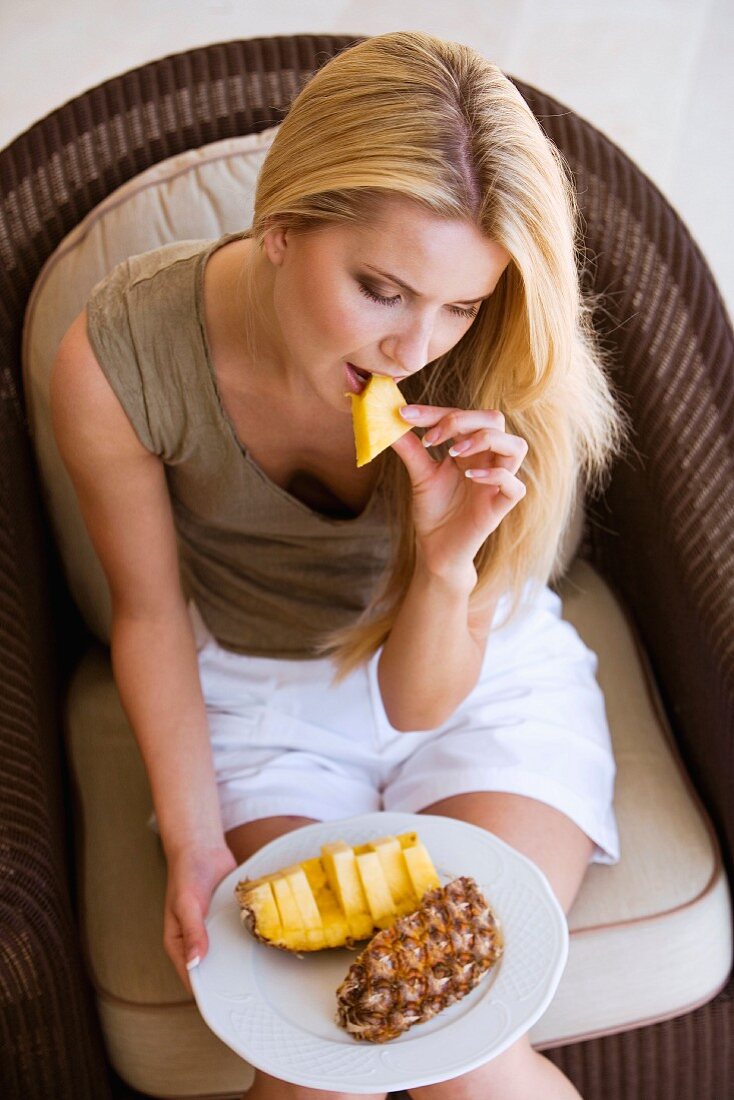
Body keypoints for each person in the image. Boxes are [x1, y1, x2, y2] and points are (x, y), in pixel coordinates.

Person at [51, 29, 628, 1100]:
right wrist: (188, 840)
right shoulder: (120, 353)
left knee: (457, 1045)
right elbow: (147, 612)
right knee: (315, 1060)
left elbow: (418, 701)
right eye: (381, 287)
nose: (416, 350)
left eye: (458, 302)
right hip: (265, 700)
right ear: (280, 224)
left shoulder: (496, 358)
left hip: (474, 671)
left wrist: (449, 563)